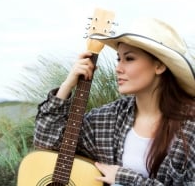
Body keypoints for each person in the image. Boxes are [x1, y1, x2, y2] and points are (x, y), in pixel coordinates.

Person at [34, 17, 195, 185]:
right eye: (118, 59)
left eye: (129, 59)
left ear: (159, 66)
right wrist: (67, 85)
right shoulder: (108, 118)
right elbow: (46, 139)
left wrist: (127, 179)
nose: (118, 68)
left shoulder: (190, 126)